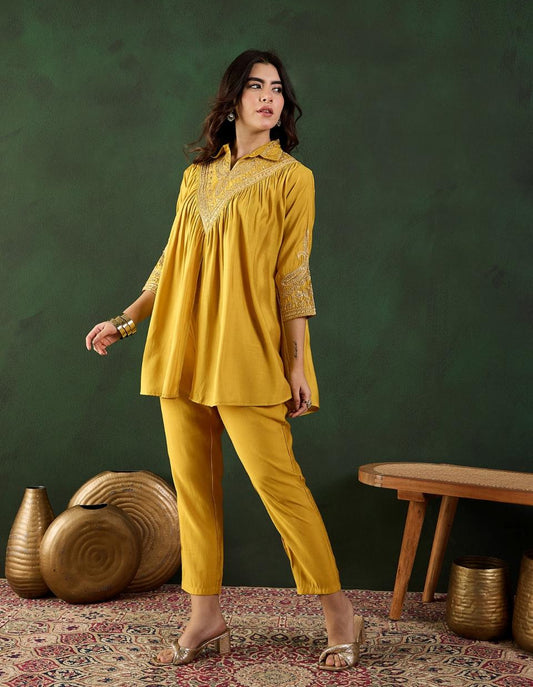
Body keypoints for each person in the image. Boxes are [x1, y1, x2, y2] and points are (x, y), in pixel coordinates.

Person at [85, 49, 364, 671]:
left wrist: (297, 364)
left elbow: (293, 277)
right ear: (233, 99)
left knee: (279, 487)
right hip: (183, 349)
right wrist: (126, 321)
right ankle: (205, 616)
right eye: (256, 86)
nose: (269, 97)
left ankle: (339, 613)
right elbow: (171, 260)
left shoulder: (293, 178)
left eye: (278, 89)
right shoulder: (197, 176)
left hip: (247, 353)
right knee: (194, 491)